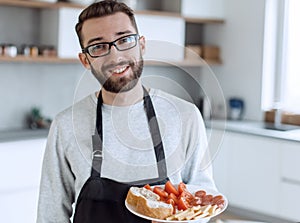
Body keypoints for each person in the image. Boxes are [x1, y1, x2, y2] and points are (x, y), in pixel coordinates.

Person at [36, 1, 218, 222]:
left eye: (124, 40)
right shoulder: (65, 125)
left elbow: (202, 198)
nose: (115, 57)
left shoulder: (185, 116)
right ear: (85, 60)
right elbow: (51, 215)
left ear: (141, 45)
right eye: (98, 46)